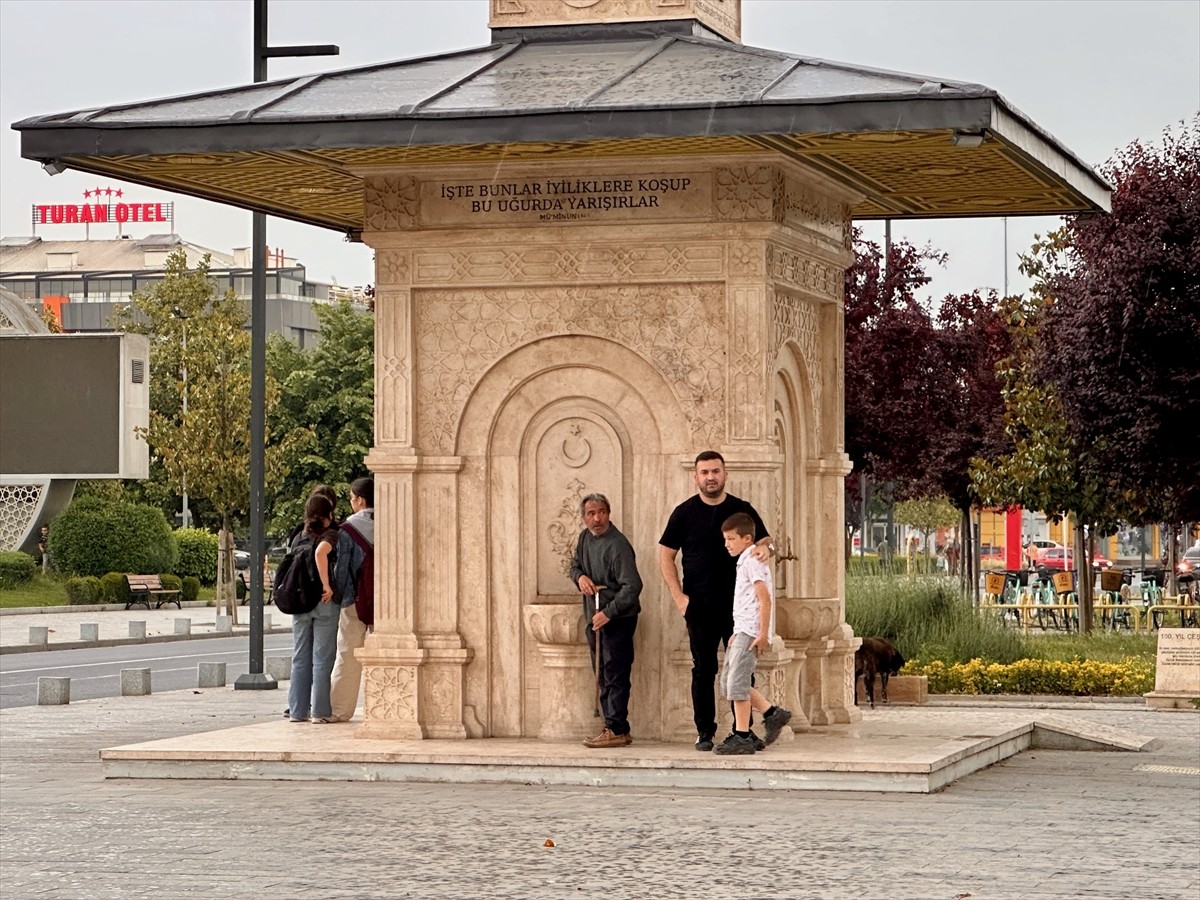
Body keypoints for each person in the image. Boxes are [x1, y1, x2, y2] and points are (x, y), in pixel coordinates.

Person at [659, 450, 772, 751]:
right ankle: (704, 731)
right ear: (696, 476)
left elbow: (764, 541)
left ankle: (743, 732)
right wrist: (678, 597)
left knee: (742, 669)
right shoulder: (683, 513)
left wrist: (766, 550)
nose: (711, 477)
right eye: (705, 472)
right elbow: (665, 556)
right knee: (703, 668)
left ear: (725, 474)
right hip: (699, 605)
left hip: (739, 609)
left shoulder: (741, 510)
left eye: (716, 471)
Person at [712, 512, 793, 755]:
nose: (727, 544)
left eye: (731, 539)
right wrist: (738, 631)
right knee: (729, 682)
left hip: (751, 631)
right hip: (742, 630)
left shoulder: (752, 561)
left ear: (747, 539)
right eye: (725, 539)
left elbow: (764, 598)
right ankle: (771, 713)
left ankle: (743, 735)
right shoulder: (745, 560)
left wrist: (763, 634)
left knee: (737, 684)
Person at [569, 493, 642, 749]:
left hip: (617, 618)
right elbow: (574, 565)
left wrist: (608, 613)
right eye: (591, 513)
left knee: (615, 673)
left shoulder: (618, 545)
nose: (597, 518)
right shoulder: (584, 538)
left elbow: (632, 586)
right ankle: (612, 725)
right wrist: (580, 578)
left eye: (601, 512)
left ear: (608, 513)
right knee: (601, 672)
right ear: (584, 517)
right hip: (595, 616)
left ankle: (617, 728)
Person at [287, 493, 342, 724]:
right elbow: (321, 553)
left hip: (300, 602)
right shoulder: (330, 535)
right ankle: (319, 711)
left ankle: (297, 711)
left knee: (300, 657)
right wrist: (327, 585)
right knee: (322, 658)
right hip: (323, 602)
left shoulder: (299, 536)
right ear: (328, 514)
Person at [329, 477, 374, 723]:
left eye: (351, 498)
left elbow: (343, 568)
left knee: (347, 653)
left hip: (354, 599)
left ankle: (340, 710)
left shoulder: (348, 529)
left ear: (359, 499)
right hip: (386, 601)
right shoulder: (391, 521)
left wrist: (340, 598)